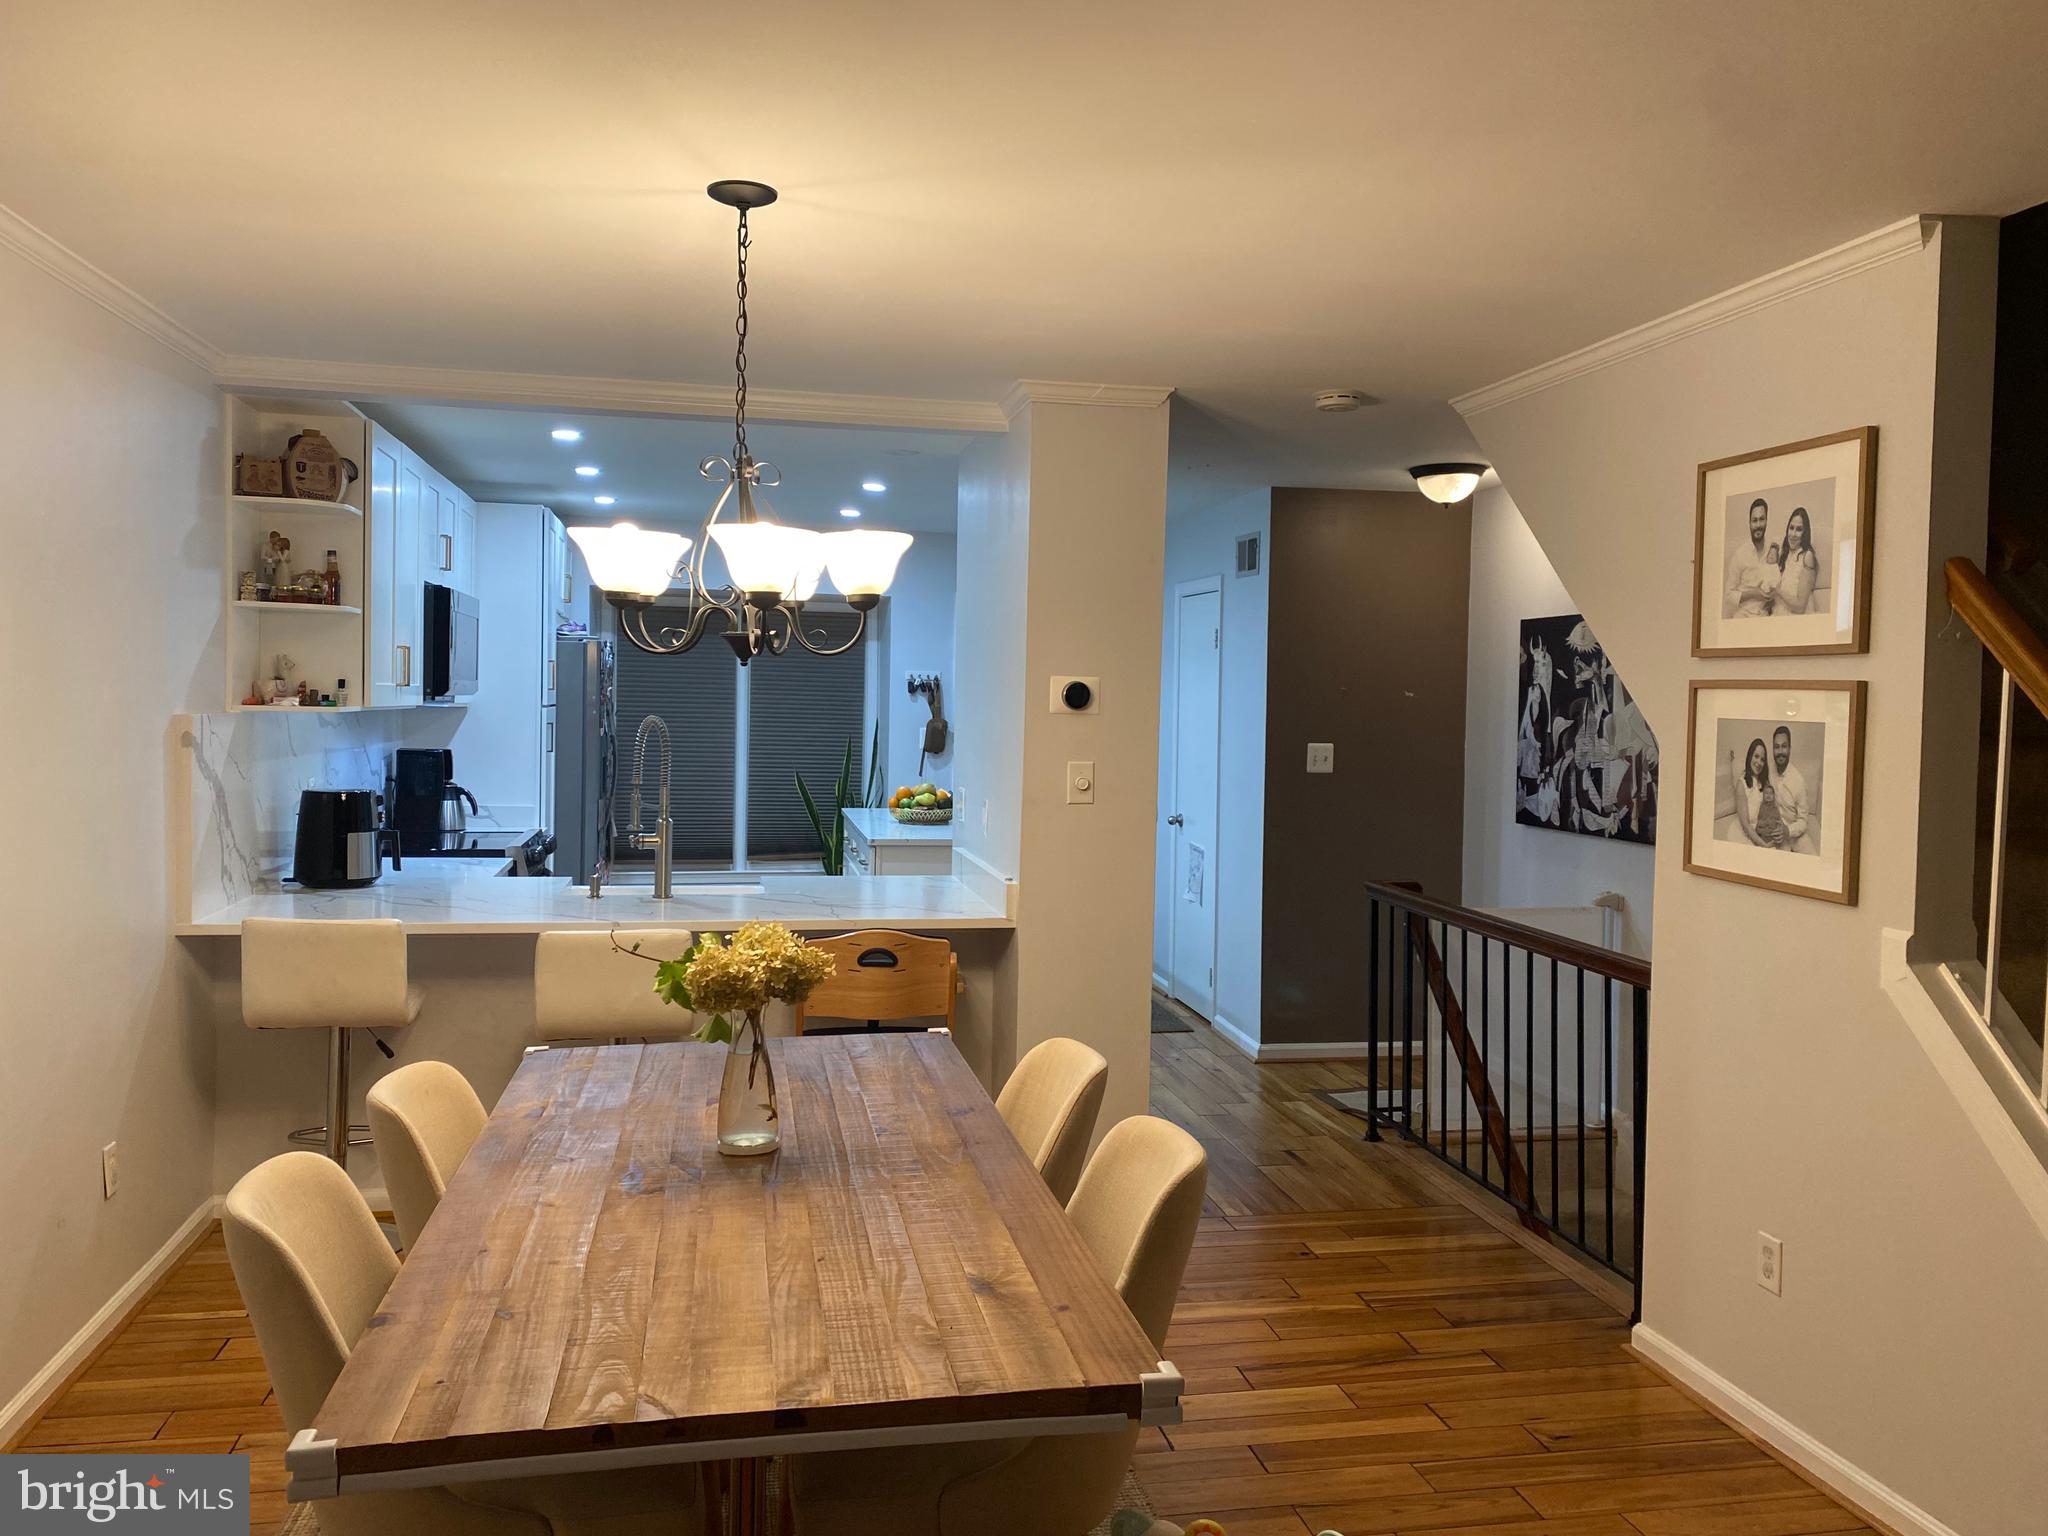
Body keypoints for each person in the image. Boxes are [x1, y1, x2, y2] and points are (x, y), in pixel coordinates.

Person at [1770, 724, 1819, 853]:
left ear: (1790, 749)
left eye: (1784, 746)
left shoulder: (1799, 781)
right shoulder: (1768, 773)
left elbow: (1803, 821)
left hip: (1796, 833)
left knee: (1812, 861)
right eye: (1776, 747)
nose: (1780, 751)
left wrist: (1788, 831)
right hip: (1775, 833)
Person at [1724, 498, 1775, 618]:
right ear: (1749, 523)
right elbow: (1728, 595)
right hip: (1743, 616)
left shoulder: (1773, 551)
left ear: (1767, 520)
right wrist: (1752, 594)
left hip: (1765, 616)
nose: (1758, 525)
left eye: (1761, 519)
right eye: (1754, 520)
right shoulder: (1740, 555)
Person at [1728, 737, 1779, 848]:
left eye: (1762, 759)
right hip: (1746, 834)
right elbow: (1746, 825)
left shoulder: (1764, 782)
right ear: (1750, 756)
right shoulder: (1741, 785)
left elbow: (1770, 808)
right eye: (1756, 756)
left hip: (1762, 830)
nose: (1759, 762)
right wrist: (1763, 844)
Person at [1770, 507, 1820, 616]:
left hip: (1797, 619)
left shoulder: (1807, 556)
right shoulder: (1784, 554)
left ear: (1805, 533)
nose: (1793, 534)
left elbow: (1800, 607)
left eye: (1799, 529)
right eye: (1791, 528)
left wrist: (1777, 591)